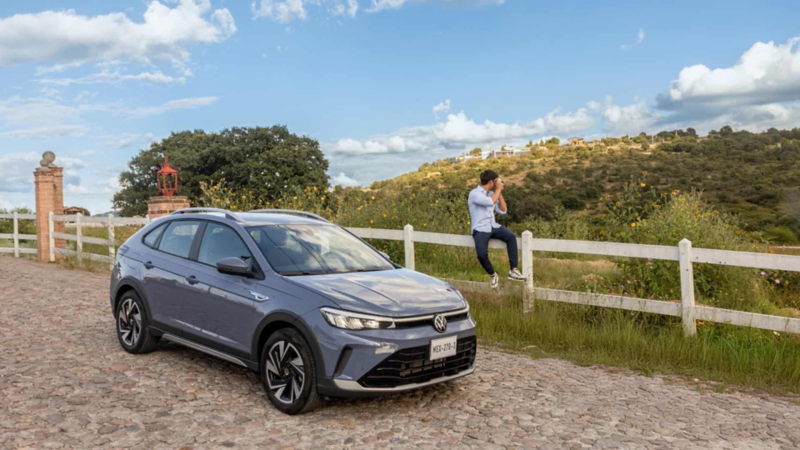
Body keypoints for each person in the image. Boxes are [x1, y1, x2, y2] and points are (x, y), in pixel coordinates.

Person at [468, 169, 526, 288]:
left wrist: (499, 192)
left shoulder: (491, 194)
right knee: (482, 255)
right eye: (496, 182)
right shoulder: (474, 193)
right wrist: (498, 189)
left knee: (510, 236)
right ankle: (492, 274)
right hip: (480, 228)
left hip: (493, 226)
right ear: (490, 182)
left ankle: (513, 270)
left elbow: (503, 210)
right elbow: (490, 202)